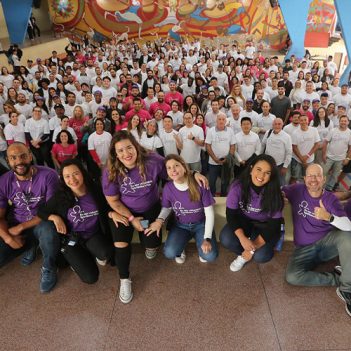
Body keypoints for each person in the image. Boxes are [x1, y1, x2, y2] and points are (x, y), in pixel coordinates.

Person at [102, 131, 206, 303]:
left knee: (151, 243)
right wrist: (130, 218)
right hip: (124, 212)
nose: (126, 154)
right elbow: (112, 200)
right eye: (120, 151)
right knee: (121, 244)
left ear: (136, 146)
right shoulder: (110, 170)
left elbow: (175, 170)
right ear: (115, 154)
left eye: (129, 147)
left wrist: (194, 173)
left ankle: (149, 245)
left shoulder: (153, 160)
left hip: (150, 208)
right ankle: (124, 279)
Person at [283, 163, 351, 318]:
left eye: (318, 175)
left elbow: (348, 226)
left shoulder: (330, 199)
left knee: (347, 236)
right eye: (310, 175)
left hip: (326, 244)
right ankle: (337, 279)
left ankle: (347, 288)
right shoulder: (296, 190)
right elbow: (279, 191)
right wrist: (280, 198)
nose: (313, 179)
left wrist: (329, 217)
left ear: (324, 179)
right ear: (305, 178)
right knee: (292, 277)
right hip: (303, 248)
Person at [37, 159, 113, 284]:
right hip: (73, 239)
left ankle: (93, 252)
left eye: (75, 173)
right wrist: (55, 217)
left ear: (82, 173)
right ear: (63, 179)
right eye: (67, 176)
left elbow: (109, 206)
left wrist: (113, 213)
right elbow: (41, 212)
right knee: (90, 278)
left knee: (106, 252)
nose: (72, 179)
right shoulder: (60, 196)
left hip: (93, 235)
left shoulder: (96, 190)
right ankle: (79, 258)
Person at [0, 142, 60, 293]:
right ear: (8, 161)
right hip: (16, 220)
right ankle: (30, 246)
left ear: (30, 155)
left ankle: (49, 266)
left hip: (41, 220)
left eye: (23, 156)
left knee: (48, 231)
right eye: (13, 158)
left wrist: (21, 227)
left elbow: (51, 209)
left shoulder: (49, 175)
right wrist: (7, 238)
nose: (19, 161)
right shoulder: (4, 181)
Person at [147, 154, 218, 264]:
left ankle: (201, 246)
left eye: (176, 165)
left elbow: (209, 213)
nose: (173, 170)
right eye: (169, 168)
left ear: (184, 167)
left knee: (210, 256)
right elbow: (166, 208)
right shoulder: (168, 188)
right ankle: (181, 247)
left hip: (200, 224)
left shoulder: (200, 184)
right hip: (180, 226)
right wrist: (159, 220)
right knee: (169, 252)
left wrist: (207, 239)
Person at [220, 154, 284, 271]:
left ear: (271, 176)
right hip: (245, 221)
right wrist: (242, 238)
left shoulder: (275, 193)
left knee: (261, 257)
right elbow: (231, 215)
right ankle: (245, 252)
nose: (261, 175)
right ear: (251, 169)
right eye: (258, 169)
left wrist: (253, 248)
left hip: (265, 225)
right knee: (226, 238)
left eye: (267, 173)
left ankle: (248, 254)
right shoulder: (237, 187)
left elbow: (273, 225)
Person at [206, 113, 236, 196]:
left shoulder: (230, 131)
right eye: (219, 119)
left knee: (225, 182)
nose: (221, 121)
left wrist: (228, 157)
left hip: (226, 162)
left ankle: (223, 197)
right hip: (213, 162)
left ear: (226, 121)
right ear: (216, 120)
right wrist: (215, 159)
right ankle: (212, 197)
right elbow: (208, 146)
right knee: (212, 182)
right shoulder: (211, 130)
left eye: (223, 119)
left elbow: (232, 145)